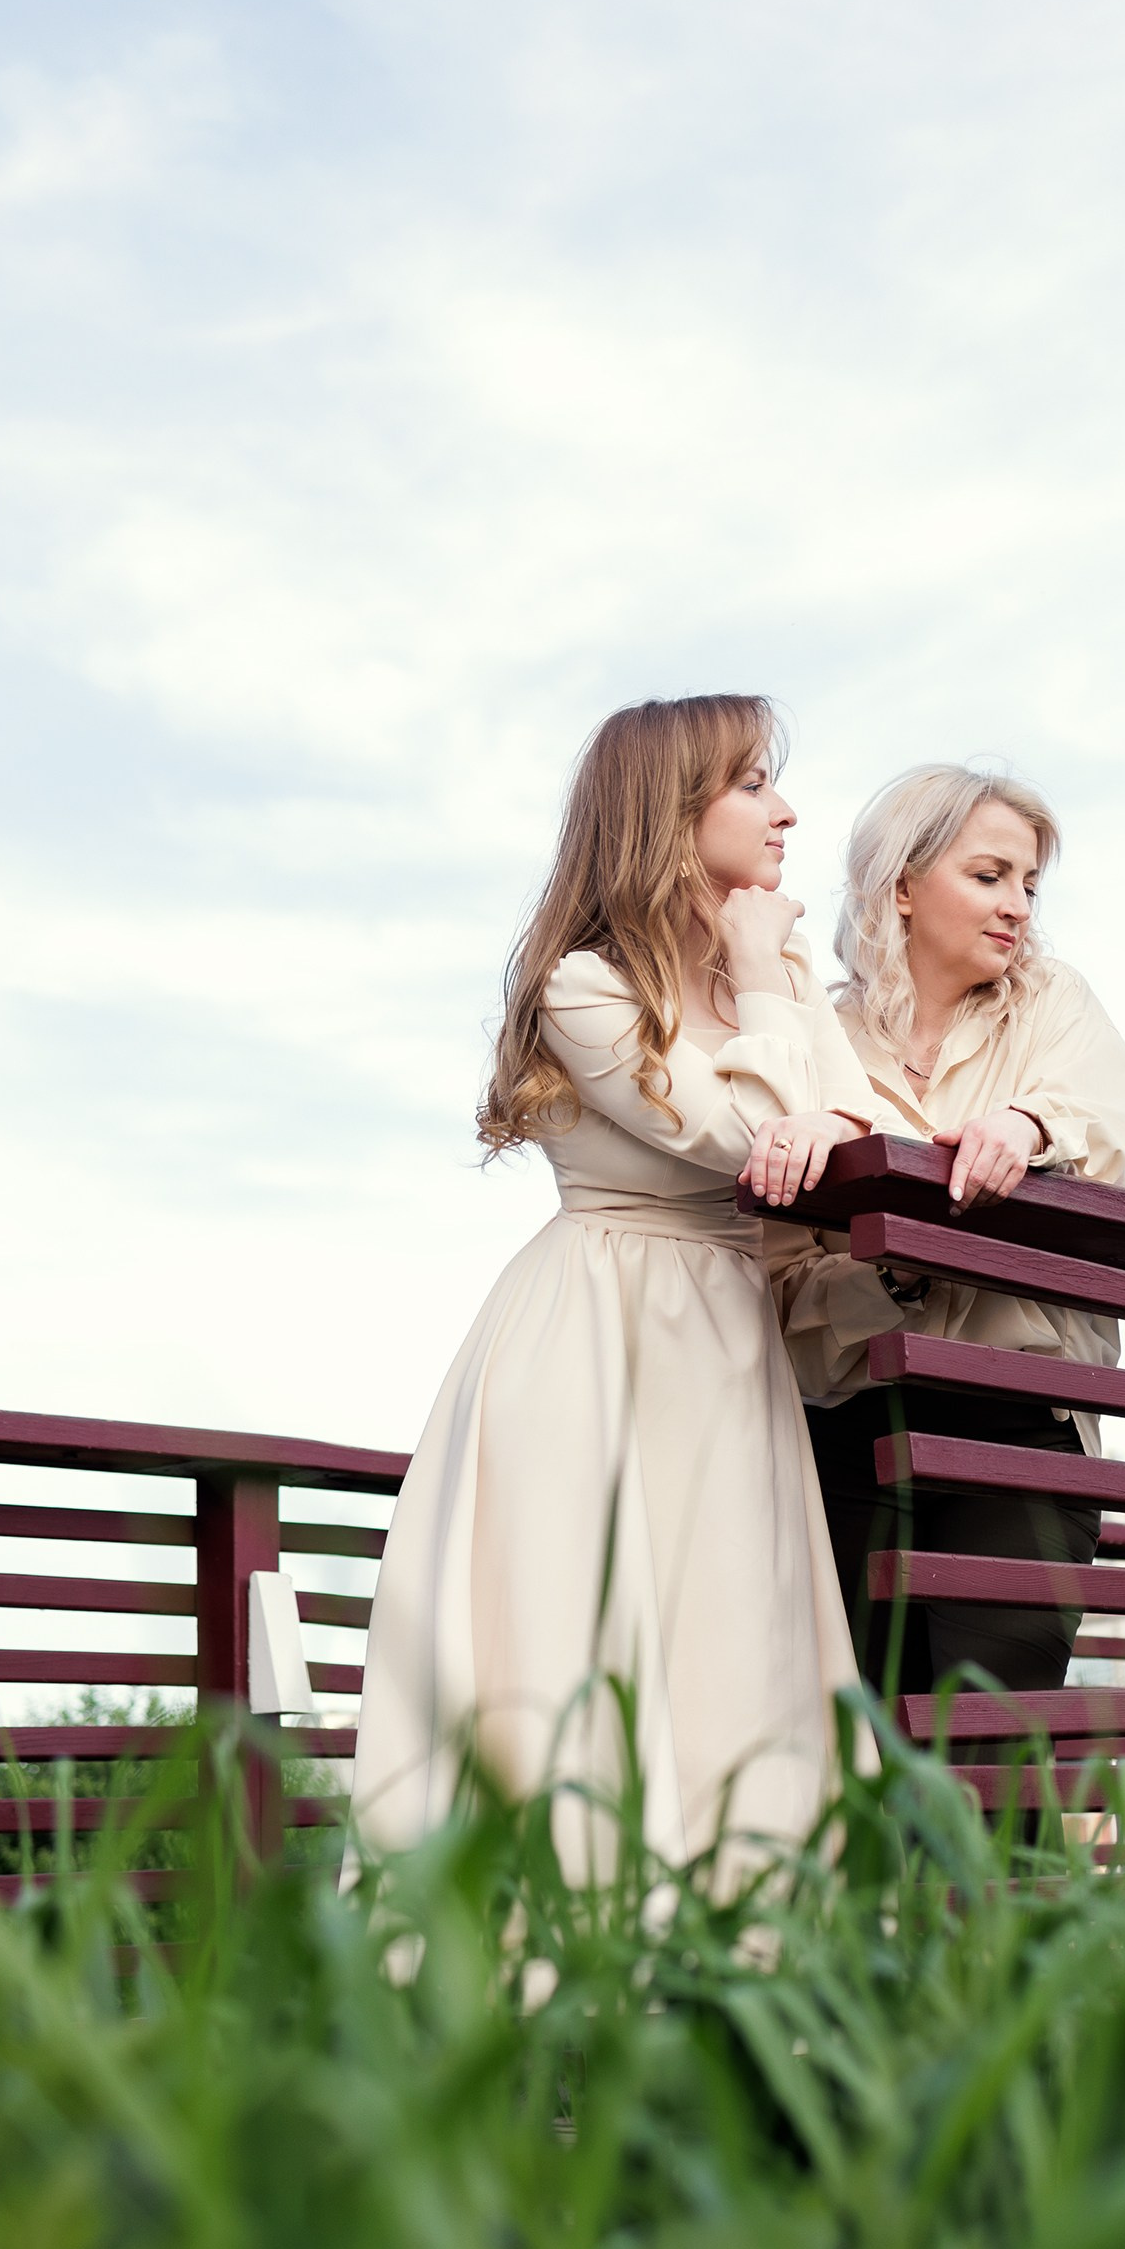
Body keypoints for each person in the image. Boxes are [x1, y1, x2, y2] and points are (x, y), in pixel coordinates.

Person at [351, 695, 877, 1870]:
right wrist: (766, 994)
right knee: (581, 1651)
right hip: (597, 1336)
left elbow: (851, 1130)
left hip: (730, 1340)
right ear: (669, 807)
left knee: (737, 1642)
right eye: (752, 783)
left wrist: (765, 983)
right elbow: (745, 1138)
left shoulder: (774, 966)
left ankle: (743, 1977)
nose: (785, 809)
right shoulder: (585, 988)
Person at [776, 764, 1125, 1701]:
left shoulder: (1052, 1003)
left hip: (1019, 1426)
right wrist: (895, 1277)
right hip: (851, 1430)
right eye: (990, 876)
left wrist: (1023, 1127)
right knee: (871, 1769)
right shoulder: (814, 1034)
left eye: (1029, 884)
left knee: (994, 1760)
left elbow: (1101, 1117)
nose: (1018, 906)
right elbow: (785, 1284)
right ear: (901, 887)